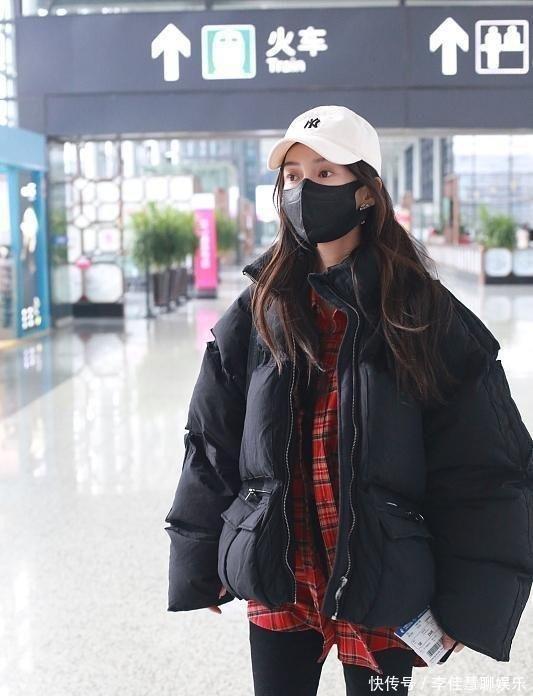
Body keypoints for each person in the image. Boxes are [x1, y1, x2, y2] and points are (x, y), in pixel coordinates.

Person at [164, 105, 533, 696]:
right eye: (292, 176)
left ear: (365, 192)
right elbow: (212, 440)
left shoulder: (422, 314)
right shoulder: (259, 310)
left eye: (325, 174)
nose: (303, 189)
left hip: (385, 578)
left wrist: (472, 599)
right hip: (280, 571)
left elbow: (485, 465)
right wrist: (197, 554)